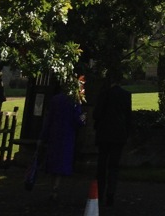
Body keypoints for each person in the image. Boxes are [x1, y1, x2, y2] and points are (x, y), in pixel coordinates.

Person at [93, 73, 132, 208]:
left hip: (104, 134)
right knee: (114, 166)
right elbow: (128, 117)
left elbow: (96, 114)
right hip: (118, 135)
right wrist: (126, 134)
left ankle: (100, 194)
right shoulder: (126, 95)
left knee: (102, 166)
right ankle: (111, 194)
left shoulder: (105, 94)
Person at [40, 83, 84, 200]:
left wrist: (44, 135)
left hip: (54, 133)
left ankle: (53, 186)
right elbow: (78, 121)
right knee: (62, 161)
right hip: (67, 134)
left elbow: (49, 118)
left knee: (54, 160)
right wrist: (83, 119)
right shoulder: (75, 101)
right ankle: (55, 187)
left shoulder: (55, 99)